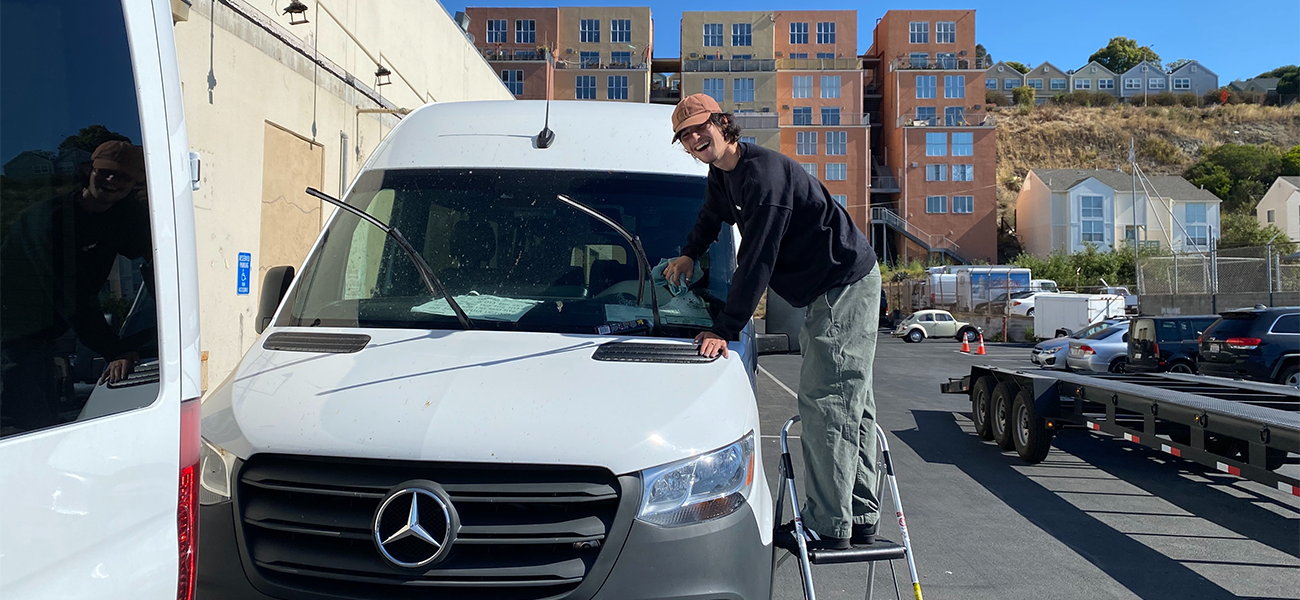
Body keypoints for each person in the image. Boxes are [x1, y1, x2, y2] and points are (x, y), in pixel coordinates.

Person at [662, 94, 881, 550]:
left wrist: (724, 329)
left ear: (723, 123)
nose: (695, 138)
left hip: (843, 284)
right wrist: (689, 252)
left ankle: (827, 525)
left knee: (827, 401)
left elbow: (757, 260)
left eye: (701, 127)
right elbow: (710, 219)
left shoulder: (763, 176)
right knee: (849, 400)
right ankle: (859, 515)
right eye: (685, 135)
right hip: (826, 286)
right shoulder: (723, 175)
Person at [1, 140, 153, 432]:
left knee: (45, 425)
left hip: (42, 339)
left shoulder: (119, 215)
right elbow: (71, 295)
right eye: (105, 172)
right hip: (10, 337)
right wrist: (115, 350)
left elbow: (151, 254)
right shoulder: (51, 220)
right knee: (24, 428)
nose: (110, 181)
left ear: (134, 184)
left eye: (122, 176)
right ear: (89, 171)